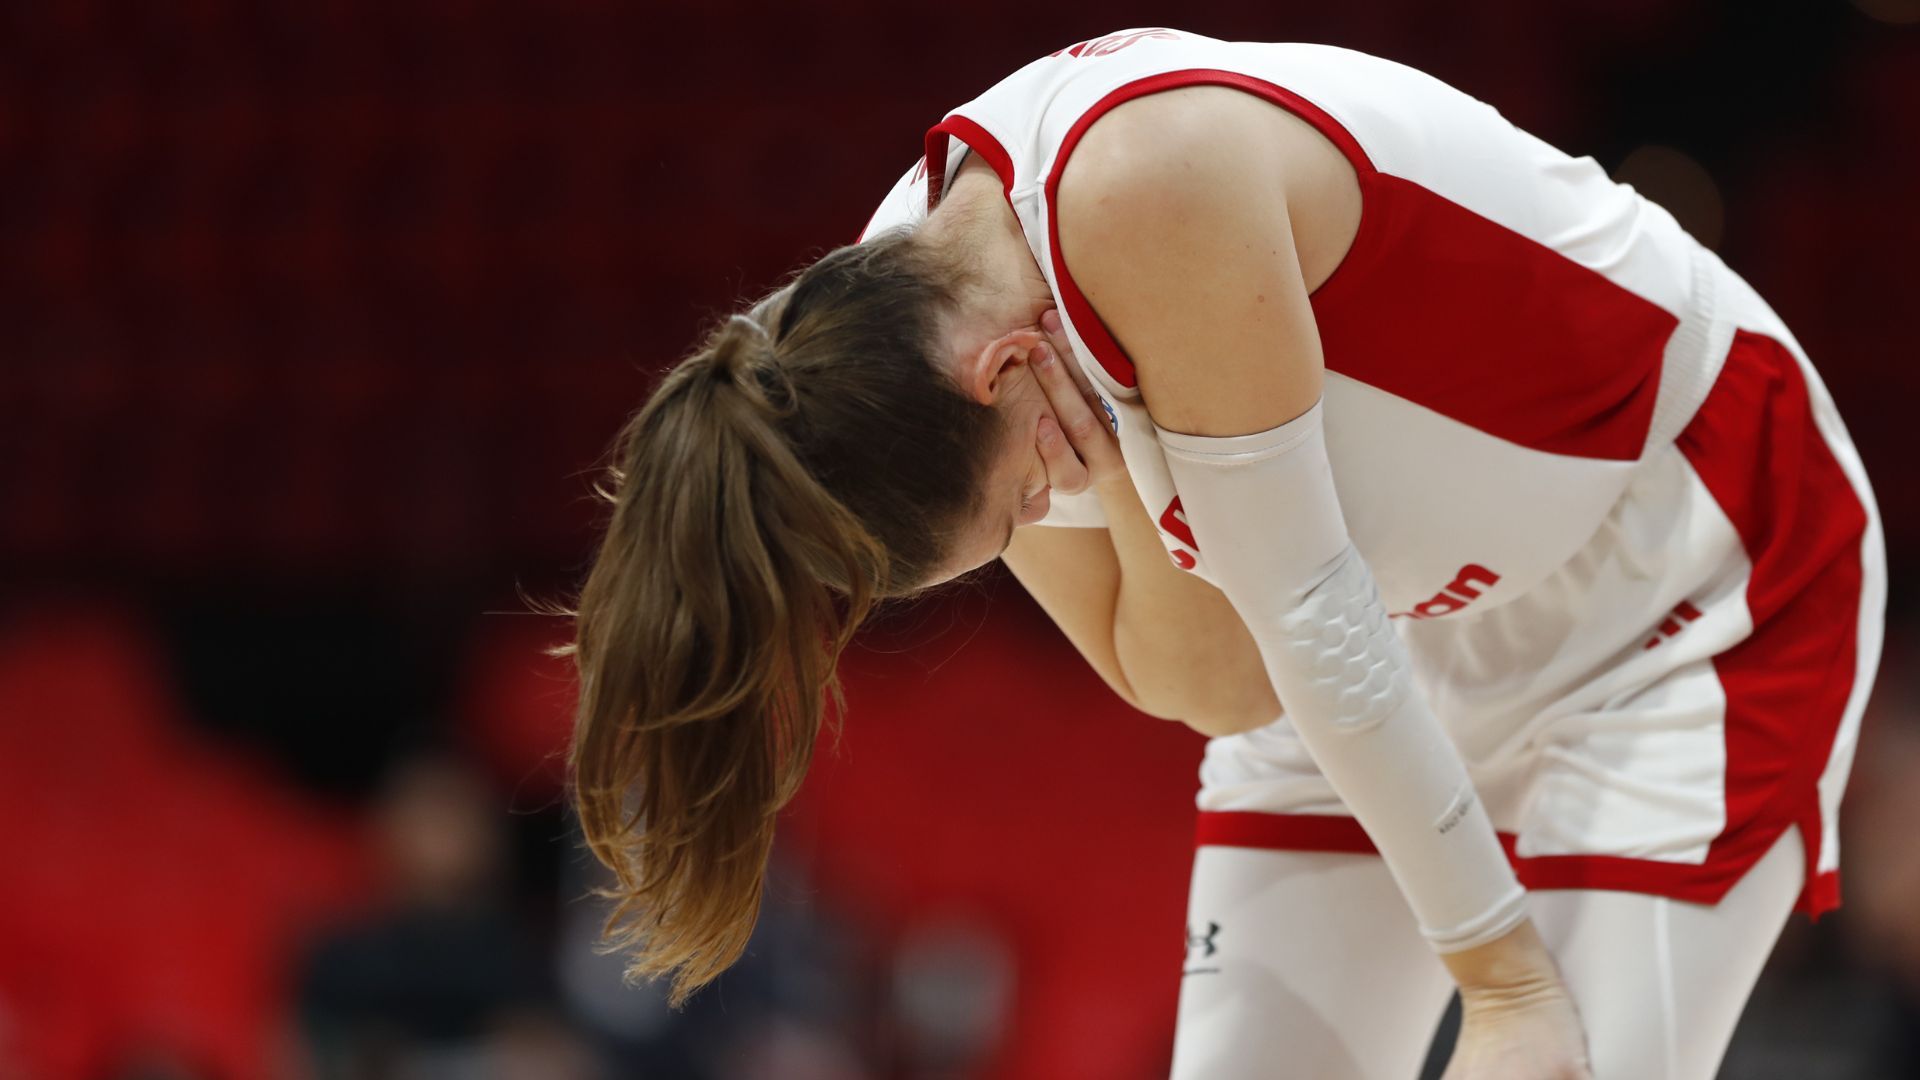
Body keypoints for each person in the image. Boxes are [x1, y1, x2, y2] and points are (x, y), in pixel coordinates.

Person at [563, 27, 1884, 1080]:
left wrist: (1506, 982)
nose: (1046, 512)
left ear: (1008, 368)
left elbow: (1306, 616)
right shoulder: (899, 355)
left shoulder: (1144, 181)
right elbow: (1221, 683)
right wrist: (1133, 457)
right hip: (1377, 637)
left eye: (1020, 505)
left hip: (1684, 569)